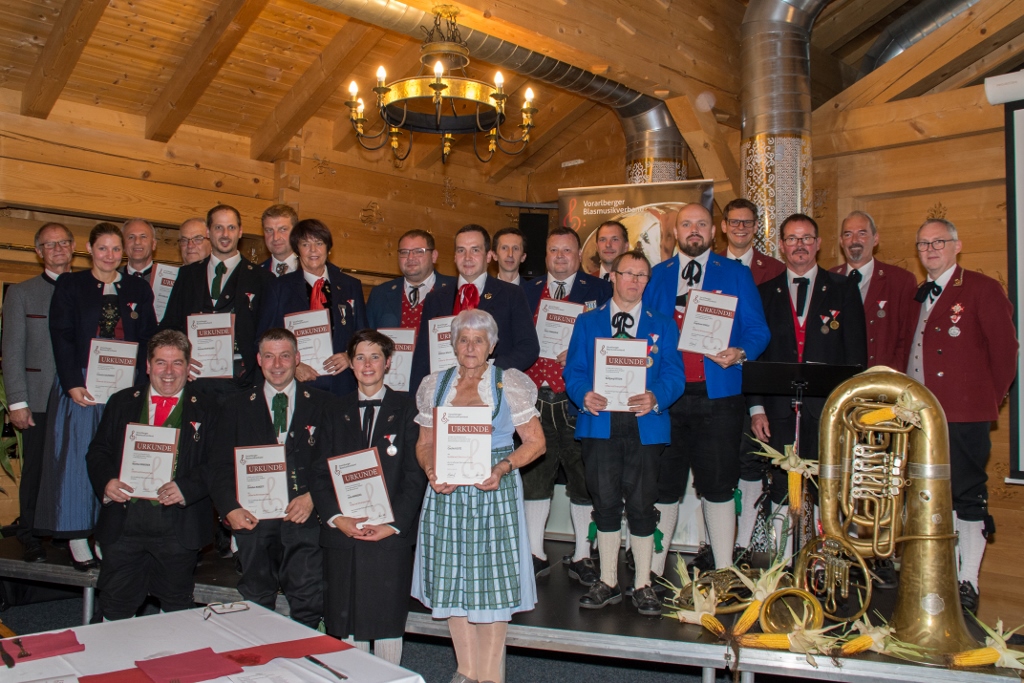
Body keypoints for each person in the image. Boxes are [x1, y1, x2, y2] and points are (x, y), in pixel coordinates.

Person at [412, 309, 545, 683]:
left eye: (479, 340)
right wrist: (431, 470)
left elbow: (536, 443)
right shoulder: (435, 385)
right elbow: (424, 444)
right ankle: (465, 671)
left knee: (492, 585)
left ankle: (490, 676)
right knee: (453, 580)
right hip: (447, 492)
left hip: (493, 491)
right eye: (464, 340)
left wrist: (502, 467)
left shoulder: (508, 383)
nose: (470, 347)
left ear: (492, 346)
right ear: (453, 344)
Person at [643, 203, 770, 575]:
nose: (694, 230)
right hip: (667, 400)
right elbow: (641, 329)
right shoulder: (657, 275)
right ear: (675, 232)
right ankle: (652, 572)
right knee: (664, 487)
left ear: (714, 232)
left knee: (718, 485)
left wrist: (741, 352)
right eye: (686, 224)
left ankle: (725, 571)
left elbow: (759, 330)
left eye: (701, 223)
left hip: (719, 398)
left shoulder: (735, 274)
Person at [564, 250, 686, 615]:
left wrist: (656, 396)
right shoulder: (587, 322)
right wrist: (583, 394)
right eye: (627, 273)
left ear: (648, 282)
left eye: (641, 275)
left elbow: (675, 375)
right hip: (600, 423)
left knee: (642, 504)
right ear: (613, 276)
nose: (634, 280)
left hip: (645, 425)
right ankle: (608, 580)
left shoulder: (663, 324)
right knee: (604, 503)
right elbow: (574, 371)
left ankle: (644, 583)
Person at [907, 218, 1018, 615]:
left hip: (963, 415)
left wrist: (984, 401)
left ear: (957, 246)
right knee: (929, 497)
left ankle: (966, 581)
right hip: (919, 417)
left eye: (939, 242)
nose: (931, 250)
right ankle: (937, 577)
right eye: (924, 244)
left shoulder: (982, 288)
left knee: (967, 496)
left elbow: (1006, 353)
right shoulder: (917, 294)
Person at [38, 222, 157, 569]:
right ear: (89, 249)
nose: (110, 255)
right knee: (77, 458)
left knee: (118, 460)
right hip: (82, 386)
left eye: (116, 249)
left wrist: (140, 385)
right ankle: (77, 534)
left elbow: (148, 337)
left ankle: (107, 534)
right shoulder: (71, 285)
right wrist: (71, 382)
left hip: (124, 388)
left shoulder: (137, 288)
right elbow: (61, 334)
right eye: (102, 248)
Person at [749, 213, 866, 558]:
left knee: (824, 486)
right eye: (792, 239)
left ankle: (821, 559)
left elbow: (856, 355)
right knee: (781, 488)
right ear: (781, 246)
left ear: (818, 244)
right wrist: (756, 407)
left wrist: (849, 410)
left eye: (806, 238)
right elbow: (755, 355)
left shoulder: (844, 289)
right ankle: (784, 561)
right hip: (777, 412)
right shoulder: (763, 294)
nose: (799, 245)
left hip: (827, 412)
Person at [311, 329, 426, 664]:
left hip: (389, 536)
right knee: (345, 620)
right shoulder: (333, 409)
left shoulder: (408, 409)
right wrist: (337, 518)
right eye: (359, 357)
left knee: (386, 620)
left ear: (388, 363)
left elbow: (414, 475)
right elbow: (318, 472)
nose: (367, 364)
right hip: (343, 535)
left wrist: (394, 525)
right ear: (350, 364)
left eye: (375, 356)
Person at [85, 330, 214, 620]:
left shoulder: (209, 408)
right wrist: (107, 482)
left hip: (178, 525)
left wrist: (187, 488)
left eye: (177, 363)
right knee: (115, 607)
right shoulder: (121, 401)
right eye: (160, 362)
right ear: (147, 365)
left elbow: (218, 463)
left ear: (188, 366)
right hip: (124, 523)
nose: (169, 372)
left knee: (176, 611)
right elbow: (98, 452)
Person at [207, 328, 331, 628]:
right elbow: (217, 466)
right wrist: (230, 509)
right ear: (259, 360)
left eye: (284, 356)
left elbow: (334, 461)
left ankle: (305, 655)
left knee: (309, 602)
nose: (277, 365)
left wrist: (313, 497)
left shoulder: (325, 404)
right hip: (254, 522)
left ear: (297, 359)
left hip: (303, 520)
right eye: (269, 357)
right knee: (256, 602)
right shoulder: (234, 406)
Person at [521, 227, 612, 584]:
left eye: (567, 250)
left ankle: (583, 555)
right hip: (535, 397)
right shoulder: (526, 290)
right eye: (553, 250)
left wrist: (580, 351)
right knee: (535, 477)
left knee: (582, 478)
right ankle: (535, 552)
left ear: (579, 255)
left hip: (578, 398)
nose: (560, 257)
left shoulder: (601, 290)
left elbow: (615, 340)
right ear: (545, 255)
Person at [2, 222, 75, 563]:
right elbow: (12, 352)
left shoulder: (89, 288)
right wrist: (18, 402)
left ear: (72, 247)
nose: (58, 249)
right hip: (39, 396)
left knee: (72, 469)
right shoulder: (21, 293)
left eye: (63, 242)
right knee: (36, 469)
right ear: (38, 251)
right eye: (50, 244)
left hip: (80, 398)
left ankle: (65, 531)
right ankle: (29, 532)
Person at [159, 204, 272, 399]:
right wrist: (181, 357)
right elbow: (170, 326)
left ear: (240, 232)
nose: (225, 234)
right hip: (194, 381)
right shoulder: (187, 275)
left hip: (243, 385)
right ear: (208, 232)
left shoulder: (262, 279)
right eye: (219, 227)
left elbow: (267, 334)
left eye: (231, 227)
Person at [410, 224, 539, 393]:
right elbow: (422, 356)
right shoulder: (435, 299)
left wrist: (491, 370)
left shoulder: (512, 294)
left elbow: (529, 347)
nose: (467, 257)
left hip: (494, 390)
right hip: (445, 391)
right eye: (461, 250)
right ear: (454, 257)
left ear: (488, 256)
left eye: (475, 250)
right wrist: (414, 400)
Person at [258, 218, 366, 396]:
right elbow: (264, 338)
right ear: (297, 250)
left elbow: (363, 334)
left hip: (342, 385)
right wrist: (293, 365)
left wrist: (350, 356)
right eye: (305, 244)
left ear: (328, 248)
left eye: (319, 243)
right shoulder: (278, 288)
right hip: (296, 386)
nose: (313, 250)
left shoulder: (350, 285)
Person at [829, 211, 917, 369]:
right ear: (841, 241)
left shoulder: (900, 281)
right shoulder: (828, 281)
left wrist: (887, 376)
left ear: (875, 239)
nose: (854, 240)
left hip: (882, 377)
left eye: (862, 233)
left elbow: (907, 340)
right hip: (840, 379)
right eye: (848, 234)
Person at [366, 229, 457, 331]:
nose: (410, 257)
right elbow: (366, 337)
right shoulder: (379, 294)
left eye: (418, 251)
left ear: (433, 256)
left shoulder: (456, 290)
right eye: (404, 252)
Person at [717, 199, 785, 286]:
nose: (741, 227)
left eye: (747, 222)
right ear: (724, 226)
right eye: (734, 222)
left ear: (755, 227)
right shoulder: (708, 267)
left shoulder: (776, 270)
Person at [260, 204, 299, 276]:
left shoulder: (311, 270)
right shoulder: (256, 275)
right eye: (269, 230)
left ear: (295, 231)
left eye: (283, 229)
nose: (275, 238)